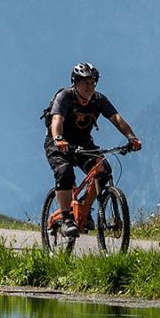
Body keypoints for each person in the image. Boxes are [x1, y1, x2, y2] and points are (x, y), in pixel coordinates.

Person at [45, 62, 142, 240]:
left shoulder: (99, 100)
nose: (90, 87)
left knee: (103, 170)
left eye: (93, 82)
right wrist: (58, 138)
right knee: (65, 174)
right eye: (85, 82)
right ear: (75, 82)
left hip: (83, 143)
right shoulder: (65, 96)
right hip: (58, 143)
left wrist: (131, 137)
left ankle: (84, 207)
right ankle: (66, 219)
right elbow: (56, 119)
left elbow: (116, 118)